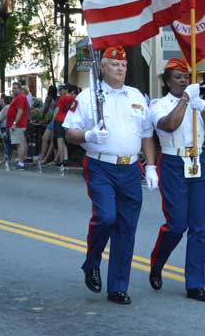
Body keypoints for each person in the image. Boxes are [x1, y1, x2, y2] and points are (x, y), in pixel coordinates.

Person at [64, 46, 157, 305]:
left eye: (123, 65)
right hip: (100, 166)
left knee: (126, 229)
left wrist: (151, 166)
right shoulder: (87, 96)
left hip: (129, 168)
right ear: (102, 67)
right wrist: (88, 135)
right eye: (114, 64)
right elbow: (70, 133)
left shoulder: (137, 96)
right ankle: (92, 261)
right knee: (106, 218)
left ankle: (118, 287)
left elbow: (147, 134)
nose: (120, 68)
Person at [147, 58, 205, 302]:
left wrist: (203, 108)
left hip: (198, 162)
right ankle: (157, 262)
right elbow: (169, 125)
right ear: (167, 81)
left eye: (186, 76)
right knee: (177, 224)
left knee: (199, 226)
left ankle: (195, 284)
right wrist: (186, 100)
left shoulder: (197, 102)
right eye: (178, 77)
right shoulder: (159, 104)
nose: (184, 80)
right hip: (173, 162)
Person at [7, 82, 30, 170]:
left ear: (20, 89)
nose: (13, 89)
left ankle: (21, 163)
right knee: (22, 143)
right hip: (19, 124)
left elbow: (20, 111)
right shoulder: (18, 97)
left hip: (18, 125)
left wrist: (14, 124)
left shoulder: (20, 97)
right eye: (13, 88)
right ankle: (22, 161)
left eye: (15, 88)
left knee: (19, 144)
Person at [36, 85, 59, 167]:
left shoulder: (49, 98)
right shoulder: (57, 98)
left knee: (45, 139)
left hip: (53, 120)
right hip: (54, 120)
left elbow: (45, 109)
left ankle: (43, 157)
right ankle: (44, 157)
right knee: (49, 140)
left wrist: (42, 117)